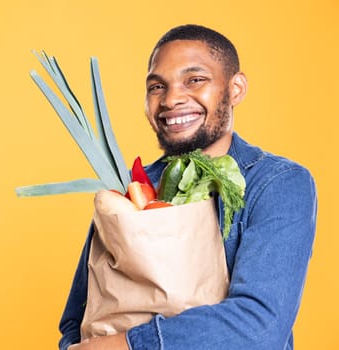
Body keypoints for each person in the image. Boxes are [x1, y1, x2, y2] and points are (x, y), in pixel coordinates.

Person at [58, 24, 318, 350]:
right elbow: (78, 317)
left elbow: (259, 327)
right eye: (157, 86)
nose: (172, 99)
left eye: (194, 80)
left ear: (235, 89)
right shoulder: (127, 189)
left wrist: (127, 344)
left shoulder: (275, 183)